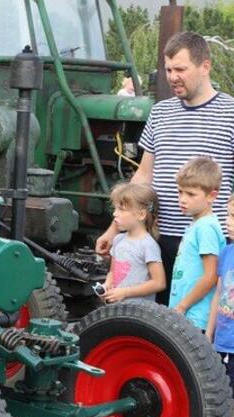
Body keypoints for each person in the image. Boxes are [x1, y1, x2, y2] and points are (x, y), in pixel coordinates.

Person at [96, 31, 234, 305]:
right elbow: (143, 176)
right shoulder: (160, 112)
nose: (172, 77)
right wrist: (115, 228)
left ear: (205, 66)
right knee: (155, 317)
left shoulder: (230, 113)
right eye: (169, 70)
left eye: (180, 69)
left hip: (208, 244)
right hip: (161, 238)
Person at [169, 157, 225, 330]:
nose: (182, 199)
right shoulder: (197, 225)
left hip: (195, 317)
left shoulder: (206, 227)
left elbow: (211, 276)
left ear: (211, 196)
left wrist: (182, 306)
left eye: (191, 194)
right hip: (186, 315)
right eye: (180, 192)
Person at [205, 194, 234, 417]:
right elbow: (218, 293)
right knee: (223, 398)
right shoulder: (227, 252)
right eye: (227, 214)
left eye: (233, 217)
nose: (228, 222)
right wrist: (210, 332)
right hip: (223, 342)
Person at [101, 182, 166, 303]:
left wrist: (125, 292)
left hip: (138, 311)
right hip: (117, 308)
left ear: (141, 215)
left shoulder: (148, 245)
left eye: (121, 209)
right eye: (115, 208)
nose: (115, 213)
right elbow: (113, 272)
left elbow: (159, 283)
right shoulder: (118, 240)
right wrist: (107, 285)